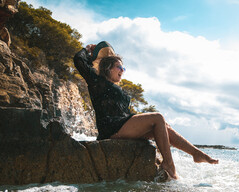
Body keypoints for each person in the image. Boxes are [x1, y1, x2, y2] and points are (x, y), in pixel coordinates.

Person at [73, 41, 218, 179]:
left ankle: (196, 153)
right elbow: (78, 60)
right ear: (108, 68)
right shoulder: (97, 82)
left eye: (123, 68)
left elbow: (125, 114)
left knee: (164, 127)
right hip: (111, 128)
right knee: (157, 117)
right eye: (119, 67)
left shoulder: (117, 88)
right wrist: (87, 49)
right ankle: (169, 165)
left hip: (122, 124)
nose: (122, 71)